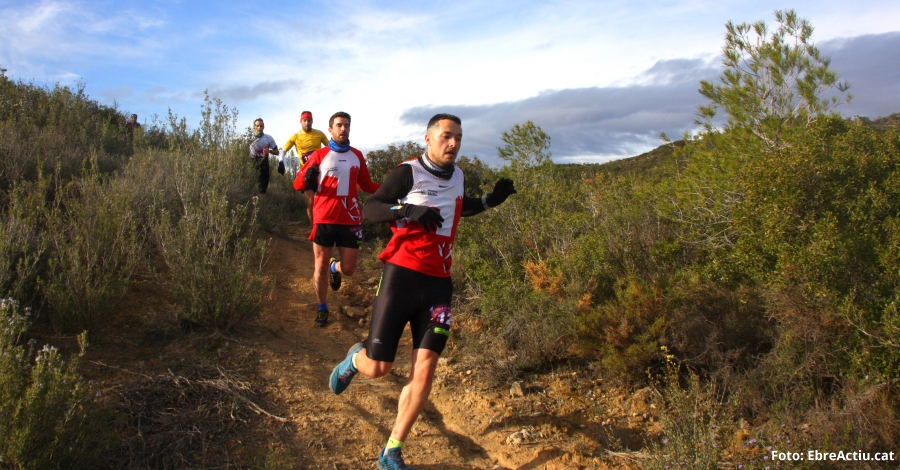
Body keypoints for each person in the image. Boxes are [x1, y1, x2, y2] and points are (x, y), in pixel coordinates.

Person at [327, 113, 516, 470]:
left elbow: (460, 206)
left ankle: (392, 451)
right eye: (446, 136)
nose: (454, 143)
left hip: (439, 285)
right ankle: (355, 359)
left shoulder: (458, 176)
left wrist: (491, 200)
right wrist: (407, 209)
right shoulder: (408, 172)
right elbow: (371, 208)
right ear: (428, 139)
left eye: (459, 137)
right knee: (379, 367)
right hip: (401, 277)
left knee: (425, 369)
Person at [294, 111, 380, 327]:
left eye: (347, 125)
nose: (344, 129)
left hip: (350, 218)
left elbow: (366, 184)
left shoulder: (357, 155)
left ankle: (336, 268)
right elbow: (298, 184)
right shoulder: (319, 155)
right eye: (339, 125)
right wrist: (305, 179)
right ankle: (322, 307)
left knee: (349, 269)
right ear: (330, 130)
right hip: (324, 218)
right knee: (319, 266)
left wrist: (392, 189)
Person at [284, 111, 330, 221]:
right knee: (311, 202)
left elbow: (330, 149)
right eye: (304, 120)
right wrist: (281, 162)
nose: (307, 123)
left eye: (309, 120)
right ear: (301, 121)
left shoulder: (319, 134)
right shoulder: (296, 136)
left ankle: (322, 224)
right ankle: (314, 227)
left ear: (312, 121)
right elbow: (284, 150)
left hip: (320, 172)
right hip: (305, 174)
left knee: (323, 201)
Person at [249, 118, 280, 195]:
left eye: (261, 126)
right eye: (257, 126)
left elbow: (277, 152)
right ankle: (257, 204)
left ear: (263, 127)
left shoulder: (268, 138)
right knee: (260, 187)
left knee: (264, 190)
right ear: (254, 127)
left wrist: (269, 151)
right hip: (254, 165)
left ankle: (261, 204)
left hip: (265, 166)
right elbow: (244, 154)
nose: (259, 128)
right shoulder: (249, 139)